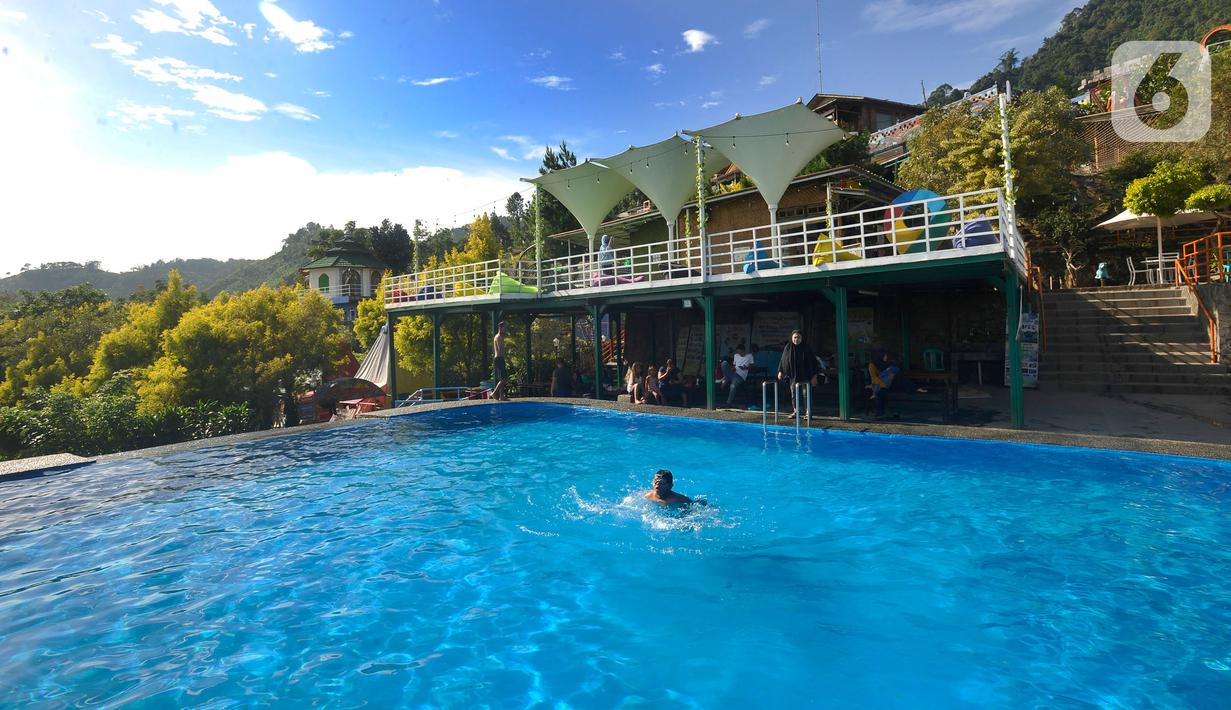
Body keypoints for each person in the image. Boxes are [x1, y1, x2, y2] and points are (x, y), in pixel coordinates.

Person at [777, 330, 818, 416]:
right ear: (792, 338)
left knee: (806, 394)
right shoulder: (788, 347)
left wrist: (814, 375)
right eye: (795, 337)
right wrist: (780, 371)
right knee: (794, 394)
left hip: (805, 375)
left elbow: (813, 362)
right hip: (793, 375)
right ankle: (796, 411)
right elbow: (783, 360)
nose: (796, 339)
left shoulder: (806, 348)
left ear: (802, 338)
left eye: (798, 337)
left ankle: (808, 412)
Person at [492, 321, 509, 401]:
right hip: (498, 359)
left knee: (503, 378)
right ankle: (494, 393)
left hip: (501, 359)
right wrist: (507, 358)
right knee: (503, 379)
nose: (506, 329)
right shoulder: (498, 337)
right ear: (500, 328)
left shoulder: (501, 337)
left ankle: (501, 396)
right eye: (505, 328)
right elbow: (500, 349)